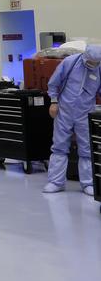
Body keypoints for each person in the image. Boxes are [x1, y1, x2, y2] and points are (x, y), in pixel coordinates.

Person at [43, 44, 101, 195]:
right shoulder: (70, 62)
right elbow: (54, 82)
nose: (92, 65)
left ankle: (88, 183)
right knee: (59, 146)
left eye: (96, 63)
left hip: (85, 113)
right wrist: (54, 102)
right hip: (64, 111)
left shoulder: (99, 68)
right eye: (90, 62)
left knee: (86, 149)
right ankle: (56, 182)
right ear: (85, 56)